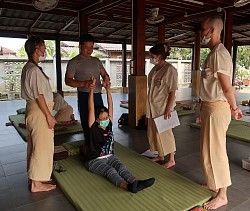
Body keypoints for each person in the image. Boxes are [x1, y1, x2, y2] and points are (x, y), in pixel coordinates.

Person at [199, 15, 243, 210]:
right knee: (207, 150)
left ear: (213, 31)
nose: (201, 33)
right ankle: (212, 183)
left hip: (218, 108)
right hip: (210, 107)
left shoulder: (219, 54)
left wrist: (235, 108)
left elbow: (227, 88)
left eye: (203, 29)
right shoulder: (213, 53)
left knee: (216, 151)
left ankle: (223, 194)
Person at [85, 75, 155, 193]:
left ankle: (135, 183)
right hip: (94, 160)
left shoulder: (109, 124)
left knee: (121, 167)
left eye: (107, 117)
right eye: (103, 118)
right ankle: (127, 186)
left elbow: (111, 106)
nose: (106, 119)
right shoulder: (93, 127)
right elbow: (91, 108)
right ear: (97, 120)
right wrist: (91, 89)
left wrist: (108, 89)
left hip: (110, 156)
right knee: (110, 171)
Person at [21, 36, 57, 192]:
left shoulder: (29, 67)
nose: (44, 49)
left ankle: (35, 177)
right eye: (43, 46)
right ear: (36, 48)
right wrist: (49, 116)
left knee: (35, 145)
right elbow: (39, 96)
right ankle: (36, 183)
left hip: (34, 110)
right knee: (43, 147)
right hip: (39, 110)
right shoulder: (33, 70)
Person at [65, 34, 110, 151]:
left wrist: (106, 78)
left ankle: (101, 145)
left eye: (91, 47)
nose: (89, 50)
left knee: (102, 120)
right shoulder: (74, 62)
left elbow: (104, 74)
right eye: (86, 47)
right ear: (80, 47)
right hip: (84, 95)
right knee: (87, 122)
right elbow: (68, 81)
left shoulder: (96, 61)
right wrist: (84, 84)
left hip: (97, 95)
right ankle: (89, 147)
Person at [146, 43, 178, 169]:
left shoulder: (170, 69)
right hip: (152, 105)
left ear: (159, 56)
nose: (151, 58)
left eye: (152, 55)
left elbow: (172, 91)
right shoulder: (154, 69)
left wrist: (168, 109)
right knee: (154, 132)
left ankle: (171, 159)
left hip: (163, 107)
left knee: (165, 133)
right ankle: (160, 155)